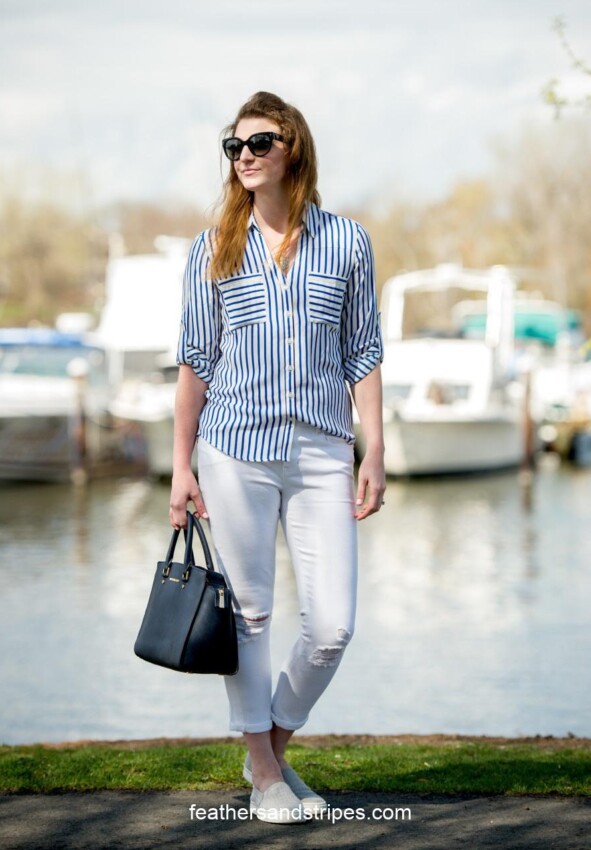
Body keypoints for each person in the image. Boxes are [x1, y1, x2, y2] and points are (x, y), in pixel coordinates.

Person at [170, 91, 385, 823]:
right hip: (235, 449)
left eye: (259, 142)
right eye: (234, 146)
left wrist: (373, 450)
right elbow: (196, 361)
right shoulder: (213, 248)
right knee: (251, 614)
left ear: (293, 147)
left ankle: (272, 747)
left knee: (332, 626)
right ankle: (265, 774)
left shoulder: (347, 242)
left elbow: (363, 353)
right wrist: (180, 466)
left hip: (324, 450)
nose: (245, 156)